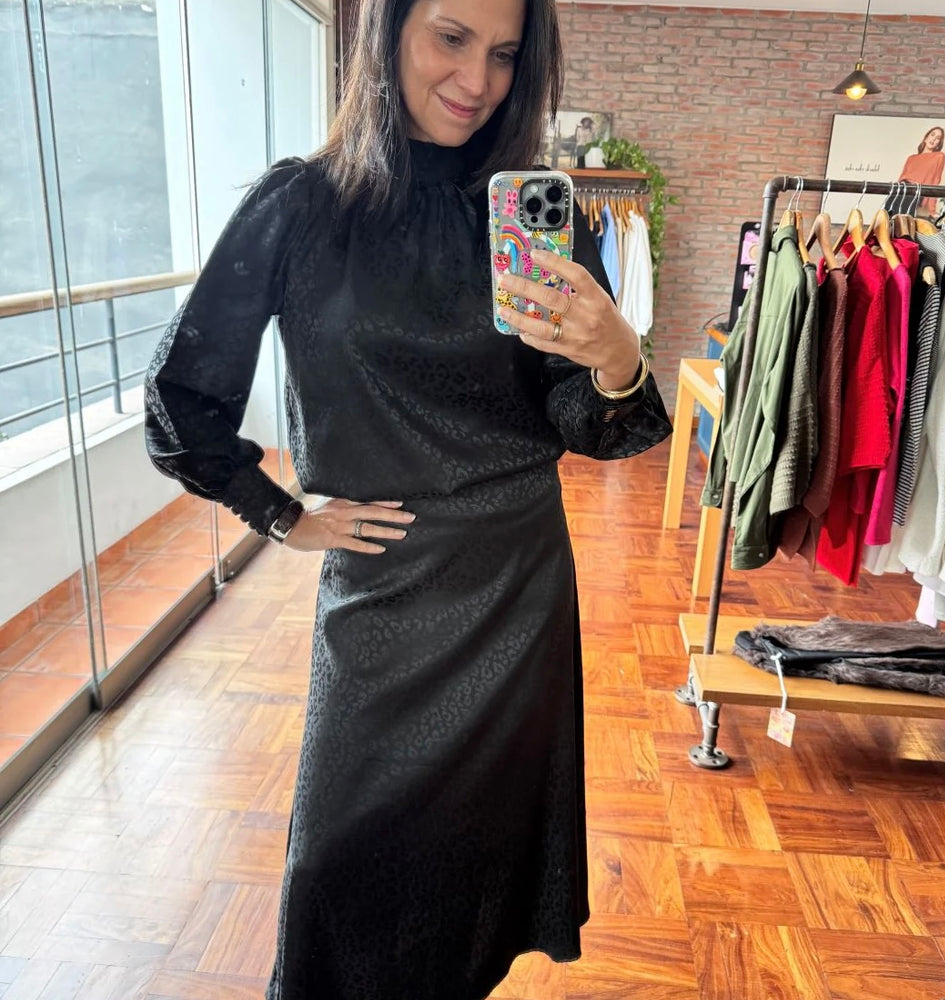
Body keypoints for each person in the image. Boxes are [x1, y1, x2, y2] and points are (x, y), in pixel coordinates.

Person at [144, 0, 671, 997]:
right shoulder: (302, 207)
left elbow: (592, 424)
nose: (478, 80)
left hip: (517, 587)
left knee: (474, 864)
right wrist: (280, 514)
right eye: (451, 37)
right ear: (384, 33)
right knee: (340, 869)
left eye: (505, 54)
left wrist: (615, 360)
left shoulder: (537, 218)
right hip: (380, 596)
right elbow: (182, 396)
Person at [898, 125, 945, 216]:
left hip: (916, 191)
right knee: (887, 217)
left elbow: (936, 180)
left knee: (903, 219)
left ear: (939, 143)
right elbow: (901, 178)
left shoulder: (939, 156)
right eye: (932, 135)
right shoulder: (911, 158)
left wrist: (932, 209)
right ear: (926, 138)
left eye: (938, 138)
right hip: (901, 189)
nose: (933, 139)